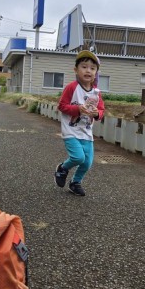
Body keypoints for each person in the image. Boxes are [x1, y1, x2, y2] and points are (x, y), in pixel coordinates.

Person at [54, 50, 105, 196]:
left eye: (92, 68)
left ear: (96, 73)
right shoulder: (72, 87)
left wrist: (97, 113)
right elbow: (62, 106)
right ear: (76, 70)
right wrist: (77, 109)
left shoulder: (96, 92)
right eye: (84, 67)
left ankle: (75, 182)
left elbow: (101, 110)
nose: (88, 71)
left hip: (86, 132)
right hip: (71, 130)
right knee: (78, 157)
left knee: (87, 162)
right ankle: (63, 168)